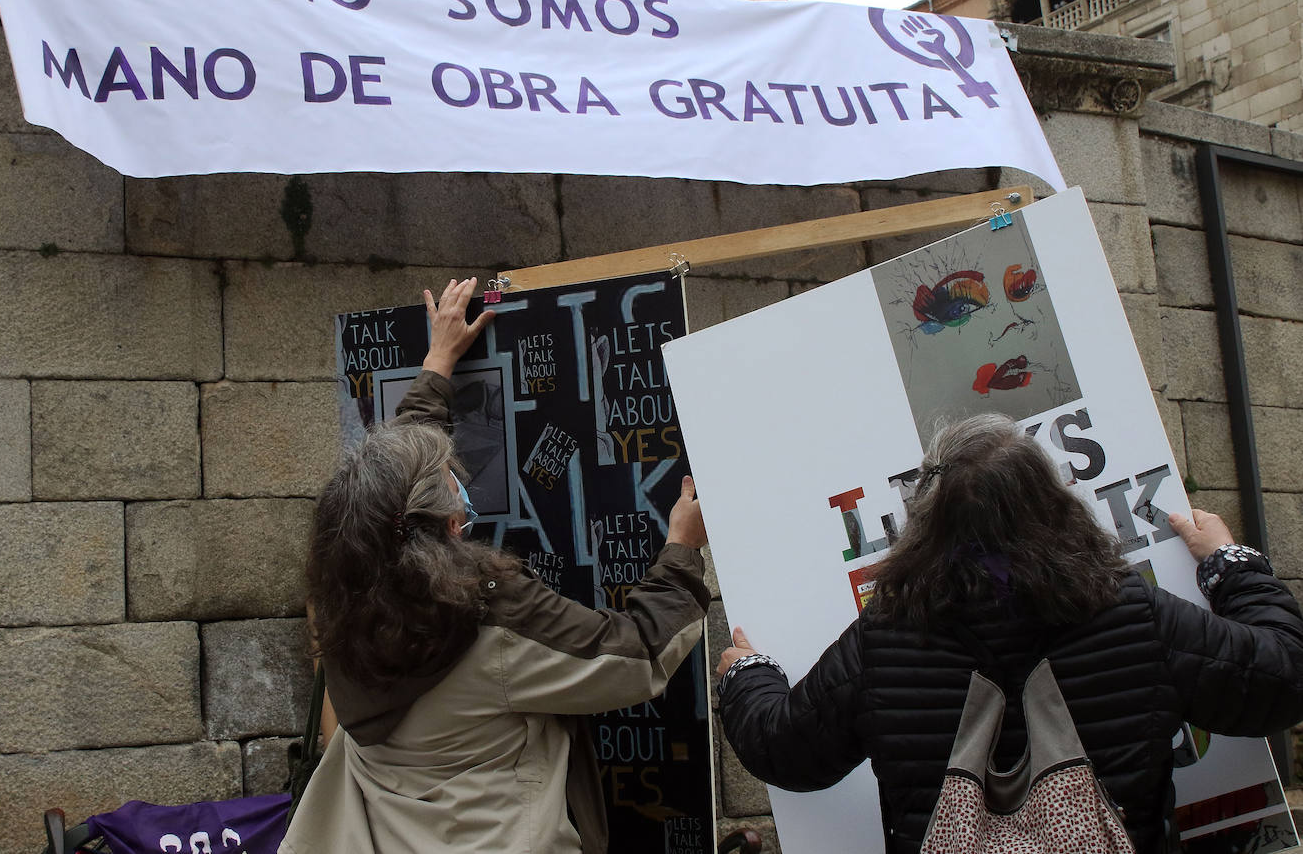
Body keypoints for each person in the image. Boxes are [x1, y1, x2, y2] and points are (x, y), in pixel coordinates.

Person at [716, 413, 1303, 854]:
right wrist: (1232, 565)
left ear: (927, 517)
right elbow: (1284, 675)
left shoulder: (886, 635)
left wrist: (748, 675)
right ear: (1052, 502)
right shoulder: (1131, 613)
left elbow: (786, 750)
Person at [281, 278, 711, 854]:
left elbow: (397, 483)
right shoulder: (487, 619)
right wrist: (683, 547)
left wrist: (438, 362)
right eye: (454, 487)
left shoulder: (347, 592)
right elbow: (638, 655)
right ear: (451, 528)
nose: (462, 487)